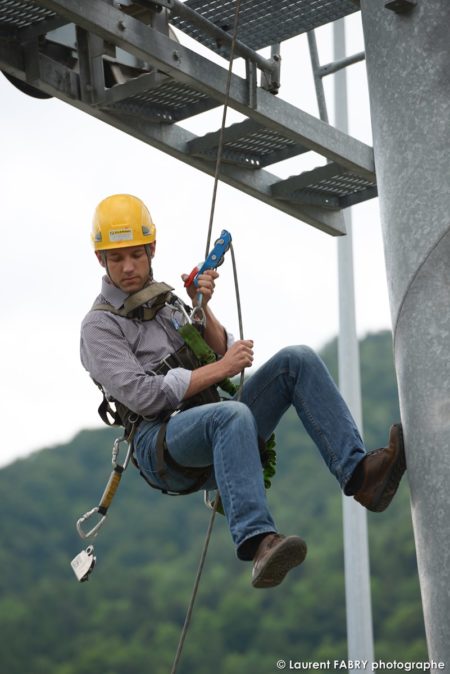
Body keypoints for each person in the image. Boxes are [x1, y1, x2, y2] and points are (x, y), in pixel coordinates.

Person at [80, 194, 407, 589]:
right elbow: (146, 396)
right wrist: (223, 367)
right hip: (162, 444)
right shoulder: (99, 327)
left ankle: (361, 476)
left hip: (215, 424)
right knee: (231, 414)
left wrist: (202, 306)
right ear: (102, 260)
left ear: (152, 249)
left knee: (296, 361)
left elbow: (217, 348)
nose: (128, 267)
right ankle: (259, 543)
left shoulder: (166, 304)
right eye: (117, 258)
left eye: (135, 254)